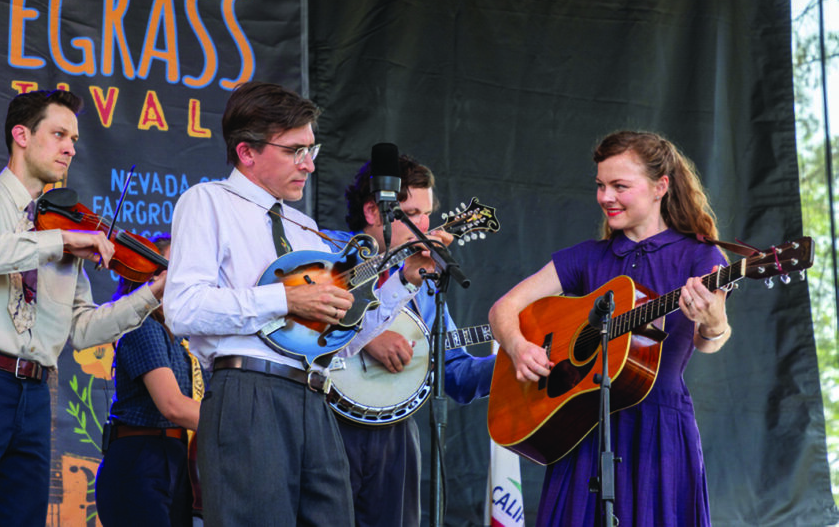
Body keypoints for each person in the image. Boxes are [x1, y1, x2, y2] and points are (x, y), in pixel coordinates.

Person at [163, 81, 446, 526]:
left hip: (316, 394)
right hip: (248, 392)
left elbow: (341, 341)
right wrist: (287, 298)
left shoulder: (302, 226)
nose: (309, 165)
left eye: (311, 149)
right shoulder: (208, 202)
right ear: (247, 152)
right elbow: (183, 308)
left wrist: (405, 280)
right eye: (295, 150)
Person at [0, 89, 165, 527]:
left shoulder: (66, 227)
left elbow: (83, 330)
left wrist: (152, 293)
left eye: (74, 138)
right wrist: (62, 242)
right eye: (59, 133)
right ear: (21, 135)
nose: (70, 146)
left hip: (34, 395)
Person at [488, 130, 731, 526]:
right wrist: (518, 346)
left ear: (660, 187)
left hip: (658, 429)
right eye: (601, 186)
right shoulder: (587, 257)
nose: (605, 197)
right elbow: (504, 308)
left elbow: (709, 341)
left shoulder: (701, 255)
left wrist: (714, 323)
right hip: (582, 427)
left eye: (620, 186)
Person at [325, 155, 493, 527]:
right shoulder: (326, 249)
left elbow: (457, 375)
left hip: (394, 434)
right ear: (373, 210)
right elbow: (311, 310)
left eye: (428, 214)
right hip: (325, 421)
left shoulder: (427, 280)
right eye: (412, 213)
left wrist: (512, 358)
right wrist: (369, 334)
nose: (424, 225)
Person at [96, 235, 208, 527]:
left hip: (175, 457)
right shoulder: (141, 324)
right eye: (171, 268)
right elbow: (172, 405)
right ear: (149, 276)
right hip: (141, 457)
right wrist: (239, 427)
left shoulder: (183, 335)